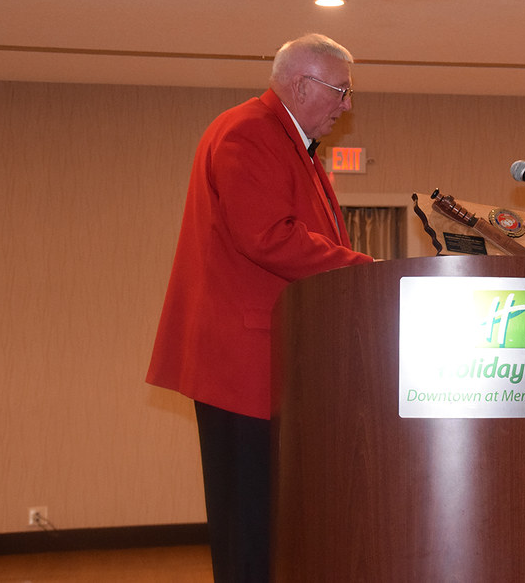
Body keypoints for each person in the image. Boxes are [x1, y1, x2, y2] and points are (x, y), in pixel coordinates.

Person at [146, 33, 374, 582]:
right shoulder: (251, 132)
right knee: (250, 530)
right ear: (301, 83)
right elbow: (267, 236)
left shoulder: (286, 140)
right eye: (340, 91)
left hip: (266, 364)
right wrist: (367, 271)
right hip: (244, 365)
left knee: (269, 527)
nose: (347, 105)